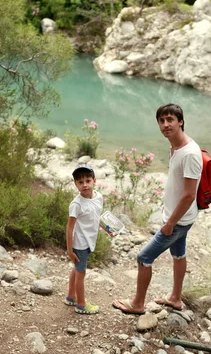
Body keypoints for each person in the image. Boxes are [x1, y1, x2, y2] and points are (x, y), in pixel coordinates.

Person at [113, 103, 202, 314]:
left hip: (178, 220)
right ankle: (175, 298)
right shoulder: (175, 147)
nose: (165, 125)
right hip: (182, 217)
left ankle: (137, 304)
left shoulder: (190, 153)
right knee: (178, 254)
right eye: (161, 121)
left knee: (144, 258)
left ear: (180, 121)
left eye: (170, 120)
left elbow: (190, 195)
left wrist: (170, 223)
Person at [65, 163, 104, 315]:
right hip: (80, 243)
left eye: (87, 181)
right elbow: (69, 227)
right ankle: (81, 304)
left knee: (77, 269)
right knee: (81, 273)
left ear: (94, 180)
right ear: (75, 184)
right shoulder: (76, 204)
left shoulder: (98, 197)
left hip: (89, 240)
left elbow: (96, 216)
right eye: (80, 182)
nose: (85, 185)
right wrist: (69, 250)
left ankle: (70, 296)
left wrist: (107, 228)